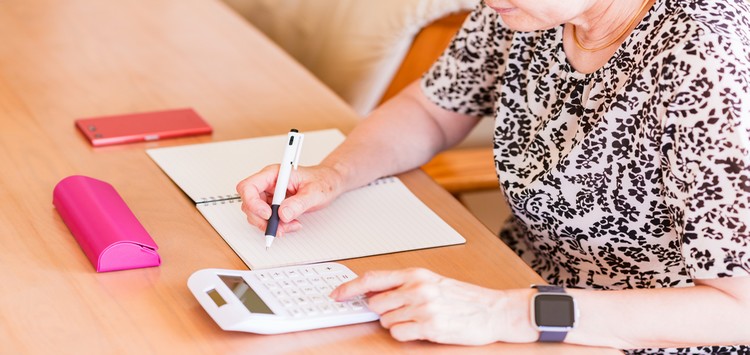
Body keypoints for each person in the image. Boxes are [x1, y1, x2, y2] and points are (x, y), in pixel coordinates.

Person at [237, 0, 750, 353]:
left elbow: (738, 311)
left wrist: (509, 314)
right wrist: (334, 173)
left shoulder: (707, 57)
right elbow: (434, 108)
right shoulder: (526, 10)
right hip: (512, 285)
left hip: (633, 335)